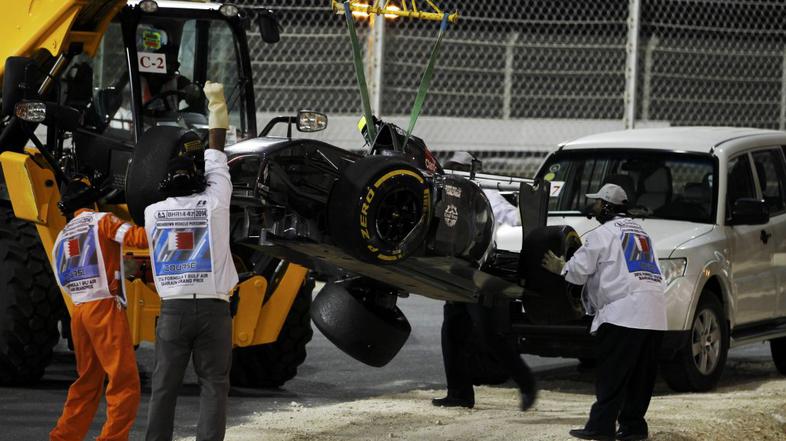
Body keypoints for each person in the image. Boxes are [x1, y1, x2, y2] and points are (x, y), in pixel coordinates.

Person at [144, 81, 237, 441]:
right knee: (214, 385)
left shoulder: (152, 213)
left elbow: (145, 179)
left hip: (173, 311)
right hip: (215, 310)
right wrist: (216, 105)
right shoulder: (216, 202)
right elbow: (216, 152)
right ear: (199, 179)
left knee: (164, 386)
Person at [541, 183, 667, 441]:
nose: (594, 206)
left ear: (607, 206)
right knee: (641, 378)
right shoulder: (642, 232)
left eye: (597, 202)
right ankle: (634, 428)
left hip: (624, 313)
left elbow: (577, 271)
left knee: (612, 374)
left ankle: (601, 426)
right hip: (655, 314)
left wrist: (560, 267)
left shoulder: (603, 233)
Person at [431, 152, 537, 411]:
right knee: (452, 334)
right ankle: (459, 394)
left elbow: (515, 217)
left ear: (470, 171)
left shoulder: (485, 193)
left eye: (458, 169)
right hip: (455, 272)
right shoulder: (447, 193)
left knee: (489, 336)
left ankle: (527, 384)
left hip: (480, 275)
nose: (453, 173)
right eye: (451, 169)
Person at [50, 180, 149, 441]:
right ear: (93, 202)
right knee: (124, 382)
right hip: (104, 308)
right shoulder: (103, 220)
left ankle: (63, 437)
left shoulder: (61, 237)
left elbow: (63, 281)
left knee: (87, 383)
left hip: (79, 312)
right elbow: (138, 239)